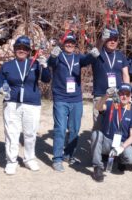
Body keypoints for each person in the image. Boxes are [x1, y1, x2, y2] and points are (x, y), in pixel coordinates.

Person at [0, 36, 51, 175]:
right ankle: (11, 161)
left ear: (28, 51)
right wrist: (2, 89)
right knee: (11, 133)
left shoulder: (35, 63)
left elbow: (46, 79)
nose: (21, 50)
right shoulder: (7, 66)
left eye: (24, 48)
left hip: (32, 104)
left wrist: (44, 66)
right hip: (11, 104)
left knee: (30, 133)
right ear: (15, 50)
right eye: (18, 48)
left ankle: (29, 159)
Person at [48, 33, 99, 172]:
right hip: (60, 99)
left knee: (75, 129)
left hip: (76, 99)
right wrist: (52, 56)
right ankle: (57, 159)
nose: (69, 45)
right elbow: (50, 64)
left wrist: (93, 54)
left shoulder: (78, 57)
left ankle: (68, 155)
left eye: (72, 43)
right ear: (63, 44)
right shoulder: (58, 56)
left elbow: (88, 59)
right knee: (60, 129)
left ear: (75, 45)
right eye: (67, 42)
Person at [91, 83, 132, 182]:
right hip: (107, 141)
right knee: (96, 134)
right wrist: (106, 95)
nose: (124, 96)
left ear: (130, 96)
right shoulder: (110, 105)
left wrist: (122, 147)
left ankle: (120, 159)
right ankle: (98, 168)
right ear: (118, 94)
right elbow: (98, 107)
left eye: (127, 94)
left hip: (120, 144)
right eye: (122, 93)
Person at [90, 28, 130, 130]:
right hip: (101, 96)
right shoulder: (98, 53)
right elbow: (97, 48)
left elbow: (125, 74)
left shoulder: (121, 56)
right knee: (99, 126)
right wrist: (102, 39)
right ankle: (97, 146)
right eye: (110, 39)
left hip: (117, 96)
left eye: (115, 39)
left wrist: (128, 94)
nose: (112, 41)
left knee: (114, 126)